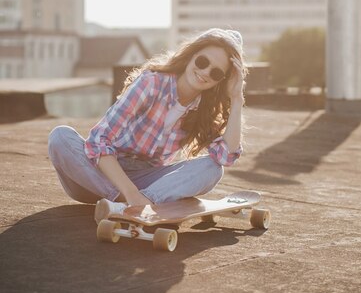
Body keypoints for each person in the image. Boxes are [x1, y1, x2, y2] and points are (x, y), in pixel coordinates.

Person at [48, 28, 247, 222]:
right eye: (202, 61)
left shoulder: (204, 109)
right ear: (191, 55)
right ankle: (139, 204)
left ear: (220, 81)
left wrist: (237, 99)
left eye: (216, 73)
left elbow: (225, 156)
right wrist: (131, 193)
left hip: (148, 180)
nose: (205, 72)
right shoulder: (151, 83)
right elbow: (99, 140)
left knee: (212, 168)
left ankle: (130, 205)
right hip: (96, 176)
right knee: (60, 137)